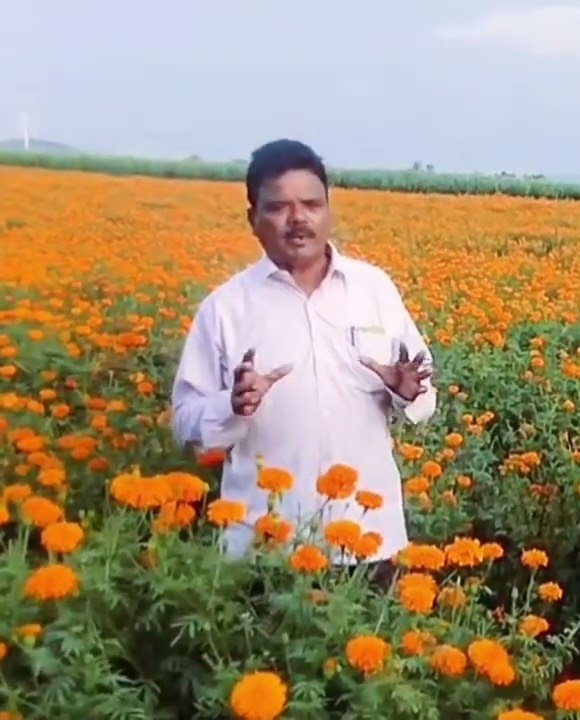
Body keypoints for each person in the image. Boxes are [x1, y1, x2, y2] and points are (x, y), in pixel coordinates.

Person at [170, 139, 436, 589]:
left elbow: (423, 394)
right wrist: (233, 404)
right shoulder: (226, 308)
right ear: (253, 219)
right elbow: (184, 420)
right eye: (278, 208)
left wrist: (407, 390)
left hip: (368, 540)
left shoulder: (373, 290)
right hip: (266, 546)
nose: (298, 220)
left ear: (329, 210)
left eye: (312, 204)